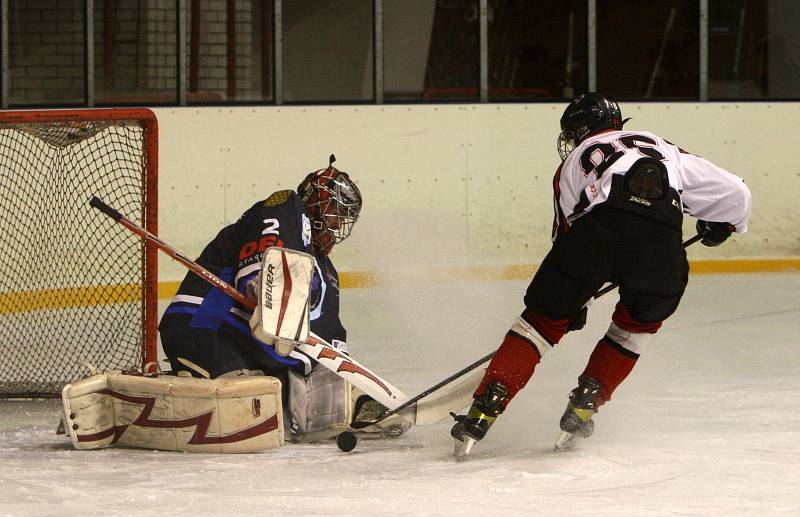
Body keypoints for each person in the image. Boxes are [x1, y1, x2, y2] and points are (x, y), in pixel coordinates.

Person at [451, 93, 752, 455]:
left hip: (597, 235)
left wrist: (570, 300)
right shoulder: (662, 147)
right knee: (635, 327)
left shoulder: (572, 163)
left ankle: (486, 406)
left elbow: (565, 232)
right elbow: (737, 194)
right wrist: (722, 226)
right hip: (662, 247)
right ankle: (584, 405)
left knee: (542, 323)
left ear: (583, 128)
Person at [158, 155, 402, 441]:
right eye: (334, 210)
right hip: (209, 326)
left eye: (343, 217)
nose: (336, 223)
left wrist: (347, 381)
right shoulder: (286, 207)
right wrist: (265, 286)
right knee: (248, 404)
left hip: (259, 350)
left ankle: (356, 404)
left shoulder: (327, 273)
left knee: (299, 400)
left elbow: (329, 344)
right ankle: (184, 388)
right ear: (313, 199)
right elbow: (262, 272)